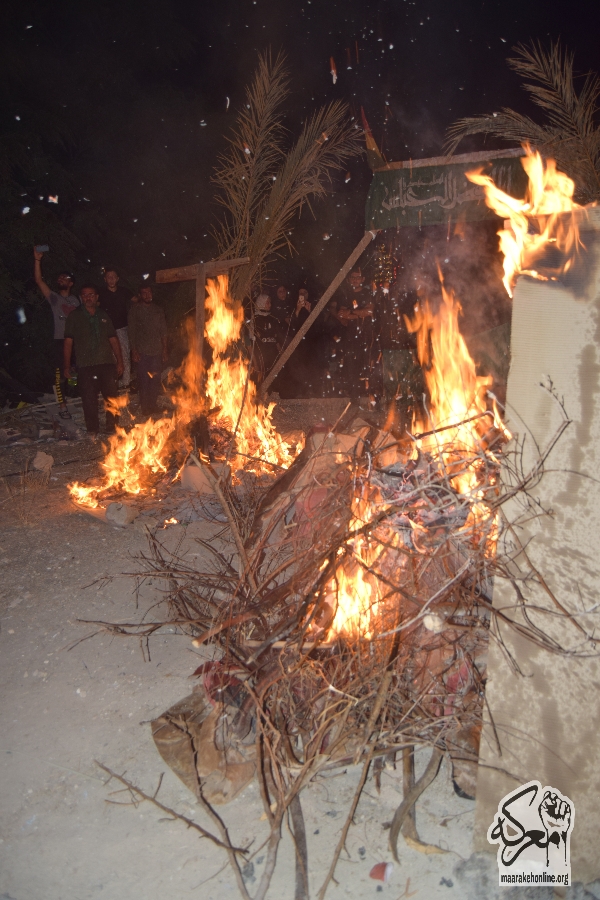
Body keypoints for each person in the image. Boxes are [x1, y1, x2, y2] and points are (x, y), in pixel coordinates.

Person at [63, 285, 124, 437]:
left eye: (91, 294)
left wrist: (120, 361)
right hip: (86, 365)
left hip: (107, 363)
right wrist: (66, 365)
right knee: (89, 400)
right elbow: (68, 342)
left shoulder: (103, 315)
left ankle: (112, 427)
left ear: (96, 297)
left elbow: (113, 339)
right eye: (84, 295)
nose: (88, 297)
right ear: (81, 298)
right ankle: (93, 430)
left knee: (111, 398)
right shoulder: (74, 316)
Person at [33, 247, 80, 419]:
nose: (61, 279)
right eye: (59, 278)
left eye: (65, 278)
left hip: (76, 341)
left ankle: (74, 396)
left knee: (74, 372)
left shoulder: (77, 300)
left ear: (71, 283)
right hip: (60, 340)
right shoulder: (54, 299)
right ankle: (62, 406)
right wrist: (37, 260)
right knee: (60, 374)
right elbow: (39, 281)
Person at [328, 268, 375, 399]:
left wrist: (353, 314)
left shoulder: (367, 293)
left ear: (362, 279)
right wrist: (358, 314)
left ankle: (370, 396)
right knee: (351, 366)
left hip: (366, 335)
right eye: (352, 277)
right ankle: (354, 397)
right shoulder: (346, 295)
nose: (355, 280)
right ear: (349, 280)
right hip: (350, 337)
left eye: (357, 277)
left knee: (367, 364)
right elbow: (342, 315)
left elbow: (369, 312)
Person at [128, 285, 168, 416]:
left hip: (156, 351)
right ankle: (145, 407)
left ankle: (153, 405)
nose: (147, 295)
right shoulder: (135, 310)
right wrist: (134, 351)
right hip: (142, 352)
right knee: (144, 380)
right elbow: (131, 332)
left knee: (155, 380)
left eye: (149, 292)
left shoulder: (158, 310)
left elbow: (163, 331)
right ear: (140, 295)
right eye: (143, 293)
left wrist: (164, 350)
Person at [97, 268, 135, 389]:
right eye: (109, 277)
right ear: (105, 279)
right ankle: (113, 382)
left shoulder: (124, 291)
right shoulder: (101, 294)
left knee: (124, 354)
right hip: (106, 330)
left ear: (117, 278)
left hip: (122, 328)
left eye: (114, 276)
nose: (111, 279)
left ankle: (126, 382)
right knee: (110, 357)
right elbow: (94, 308)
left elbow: (137, 300)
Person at [248, 294, 285, 384]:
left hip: (273, 353)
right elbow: (251, 342)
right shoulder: (255, 320)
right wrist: (255, 362)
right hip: (261, 354)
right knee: (262, 378)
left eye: (270, 302)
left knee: (276, 377)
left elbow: (276, 337)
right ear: (261, 303)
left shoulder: (272, 319)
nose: (270, 305)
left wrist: (280, 351)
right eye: (267, 303)